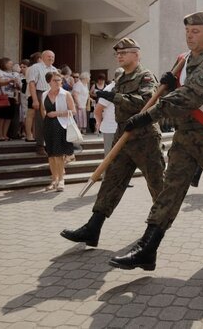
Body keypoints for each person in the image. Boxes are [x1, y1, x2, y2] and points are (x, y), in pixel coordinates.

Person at [108, 12, 203, 270]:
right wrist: (168, 85)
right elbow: (178, 90)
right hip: (185, 140)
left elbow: (189, 98)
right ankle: (148, 248)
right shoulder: (183, 63)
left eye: (197, 31)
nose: (190, 36)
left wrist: (147, 116)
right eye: (188, 31)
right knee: (170, 190)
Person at [60, 38, 165, 248]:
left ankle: (158, 229)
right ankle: (93, 228)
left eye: (124, 52)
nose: (119, 56)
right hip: (123, 135)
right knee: (111, 183)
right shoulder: (120, 78)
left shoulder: (145, 76)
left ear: (137, 55)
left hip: (144, 138)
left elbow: (146, 102)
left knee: (157, 185)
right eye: (118, 53)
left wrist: (114, 97)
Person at [41, 72, 76, 192]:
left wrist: (57, 114)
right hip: (48, 126)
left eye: (59, 80)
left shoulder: (65, 94)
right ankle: (54, 179)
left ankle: (61, 180)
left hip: (61, 125)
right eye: (55, 80)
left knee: (59, 154)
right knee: (51, 154)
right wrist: (46, 118)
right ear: (49, 82)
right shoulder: (45, 94)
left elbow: (73, 111)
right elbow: (43, 110)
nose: (58, 82)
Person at [27, 51, 58, 155]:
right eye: (49, 56)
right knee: (41, 120)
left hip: (53, 94)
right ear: (43, 57)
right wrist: (35, 100)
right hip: (41, 93)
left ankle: (50, 144)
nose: (51, 58)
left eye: (53, 57)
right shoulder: (35, 67)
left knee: (53, 120)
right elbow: (31, 84)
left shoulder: (54, 69)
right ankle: (40, 145)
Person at [94, 68, 122, 155]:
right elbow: (98, 109)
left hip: (122, 128)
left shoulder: (124, 88)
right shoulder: (109, 89)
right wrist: (98, 123)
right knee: (110, 156)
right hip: (111, 128)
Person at [0, 57, 21, 141]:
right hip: (1, 96)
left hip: (11, 96)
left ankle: (5, 134)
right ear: (4, 63)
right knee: (0, 117)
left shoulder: (13, 73)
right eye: (10, 63)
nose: (11, 65)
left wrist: (17, 84)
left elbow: (19, 86)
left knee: (8, 117)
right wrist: (9, 80)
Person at [23, 52, 42, 142]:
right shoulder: (31, 68)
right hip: (32, 93)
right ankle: (29, 135)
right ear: (38, 59)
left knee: (37, 116)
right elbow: (31, 82)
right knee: (30, 114)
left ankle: (35, 134)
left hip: (39, 93)